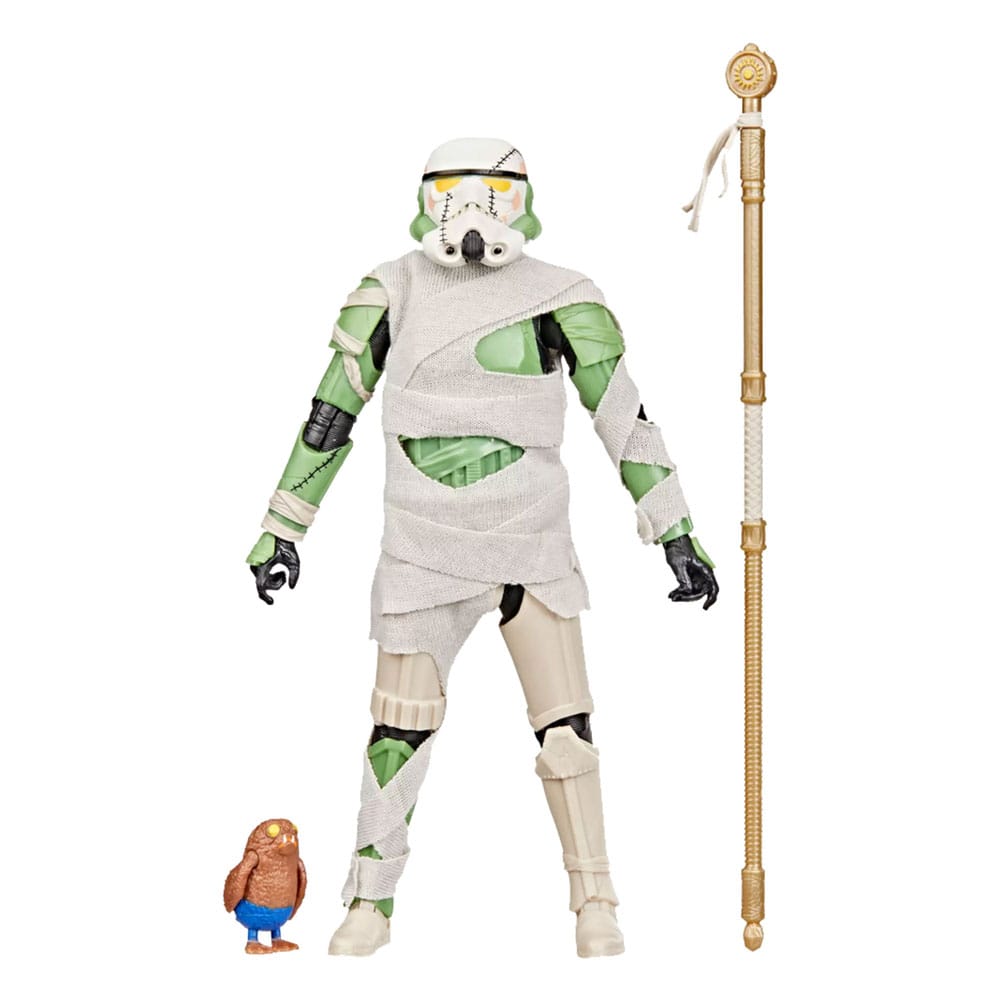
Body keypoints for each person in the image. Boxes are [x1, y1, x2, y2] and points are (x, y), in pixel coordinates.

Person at [247, 138, 718, 958]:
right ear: (425, 200)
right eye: (453, 193)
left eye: (493, 193)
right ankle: (370, 902)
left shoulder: (562, 296)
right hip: (420, 543)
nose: (472, 212)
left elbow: (622, 414)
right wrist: (283, 525)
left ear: (522, 201)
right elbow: (330, 415)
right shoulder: (391, 290)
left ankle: (595, 900)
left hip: (530, 541)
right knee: (397, 733)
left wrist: (673, 528)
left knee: (566, 732)